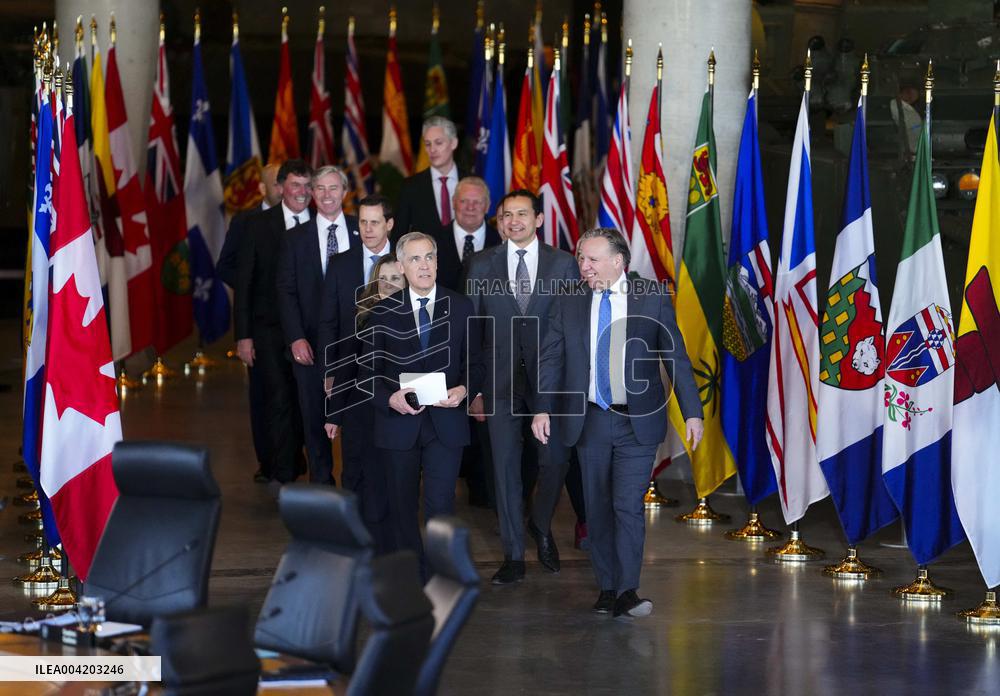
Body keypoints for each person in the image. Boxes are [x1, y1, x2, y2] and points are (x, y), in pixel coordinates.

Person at [531, 227, 705, 618]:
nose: (584, 266)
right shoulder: (570, 300)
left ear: (618, 262)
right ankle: (607, 587)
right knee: (596, 507)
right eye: (581, 258)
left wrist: (692, 411)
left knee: (627, 505)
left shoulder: (652, 298)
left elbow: (673, 356)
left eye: (592, 259)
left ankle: (627, 589)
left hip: (637, 423)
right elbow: (551, 357)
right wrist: (541, 408)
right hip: (590, 420)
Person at [466, 189, 578, 584]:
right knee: (505, 468)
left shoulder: (564, 265)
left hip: (550, 382)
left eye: (521, 214)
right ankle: (513, 555)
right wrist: (474, 388)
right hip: (498, 382)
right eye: (506, 215)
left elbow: (573, 327)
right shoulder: (481, 265)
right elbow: (472, 330)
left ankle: (541, 524)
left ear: (539, 220)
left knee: (554, 460)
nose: (513, 221)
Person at [361, 231, 484, 570]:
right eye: (415, 258)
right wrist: (390, 399)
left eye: (429, 256)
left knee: (441, 505)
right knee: (401, 506)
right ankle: (411, 574)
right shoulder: (383, 314)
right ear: (401, 266)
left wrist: (463, 390)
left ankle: (439, 574)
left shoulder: (460, 306)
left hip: (446, 425)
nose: (424, 264)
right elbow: (366, 376)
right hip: (399, 425)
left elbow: (475, 363)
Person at [317, 194, 396, 551]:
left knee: (390, 467)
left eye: (374, 222)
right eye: (362, 222)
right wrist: (331, 377)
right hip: (353, 382)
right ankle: (353, 538)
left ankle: (386, 539)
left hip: (397, 386)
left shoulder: (409, 260)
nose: (367, 229)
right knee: (354, 465)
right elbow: (331, 324)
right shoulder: (341, 263)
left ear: (389, 224)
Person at [234, 159, 313, 495]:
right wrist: (243, 336)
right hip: (268, 331)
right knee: (278, 398)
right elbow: (244, 283)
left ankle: (296, 460)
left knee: (302, 400)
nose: (302, 192)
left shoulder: (323, 225)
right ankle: (283, 473)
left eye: (308, 186)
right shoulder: (258, 225)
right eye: (296, 185)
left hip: (309, 330)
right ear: (281, 187)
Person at [276, 165, 358, 485]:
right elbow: (285, 290)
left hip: (355, 344)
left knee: (355, 413)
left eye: (333, 188)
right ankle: (321, 483)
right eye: (319, 189)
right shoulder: (295, 239)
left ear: (345, 193)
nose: (326, 195)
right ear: (311, 193)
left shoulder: (361, 231)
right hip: (309, 344)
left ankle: (356, 483)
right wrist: (295, 337)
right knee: (313, 417)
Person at [219, 162, 282, 484]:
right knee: (263, 396)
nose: (284, 188)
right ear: (262, 188)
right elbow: (225, 266)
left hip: (295, 325)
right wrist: (253, 285)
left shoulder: (306, 219)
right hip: (259, 324)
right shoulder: (246, 221)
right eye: (277, 182)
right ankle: (267, 461)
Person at [393, 117, 468, 288]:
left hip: (467, 274)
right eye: (428, 144)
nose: (432, 149)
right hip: (424, 278)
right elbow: (399, 235)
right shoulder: (410, 187)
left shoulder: (472, 181)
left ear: (454, 143)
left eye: (438, 142)